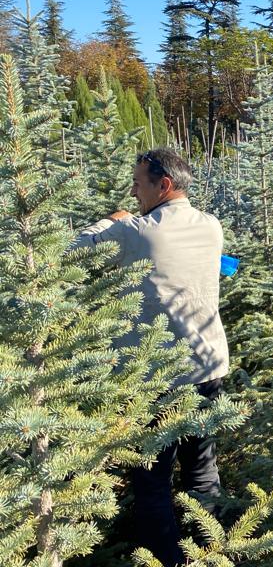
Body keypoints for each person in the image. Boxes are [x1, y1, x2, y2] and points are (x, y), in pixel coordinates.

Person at [74, 148, 228, 567]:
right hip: (208, 365)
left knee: (152, 479)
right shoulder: (211, 226)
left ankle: (165, 560)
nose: (133, 191)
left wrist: (112, 219)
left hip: (155, 377)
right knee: (201, 468)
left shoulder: (138, 232)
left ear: (164, 185)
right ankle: (212, 551)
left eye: (139, 183)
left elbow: (73, 251)